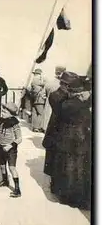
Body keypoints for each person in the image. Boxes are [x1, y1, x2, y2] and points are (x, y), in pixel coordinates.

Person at [48, 72, 92, 210]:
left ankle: (69, 195)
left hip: (71, 137)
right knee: (72, 168)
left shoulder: (71, 101)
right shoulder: (64, 99)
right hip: (75, 137)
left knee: (72, 168)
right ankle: (72, 196)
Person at [0, 102, 22, 198]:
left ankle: (17, 189)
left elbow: (19, 138)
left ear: (11, 113)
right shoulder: (2, 122)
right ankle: (5, 181)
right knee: (2, 165)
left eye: (5, 112)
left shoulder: (15, 124)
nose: (2, 113)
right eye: (2, 111)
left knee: (12, 168)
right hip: (1, 147)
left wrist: (10, 145)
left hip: (10, 149)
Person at [42, 65, 65, 131]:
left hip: (48, 103)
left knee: (47, 118)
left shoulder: (48, 83)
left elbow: (43, 95)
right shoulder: (63, 84)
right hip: (59, 105)